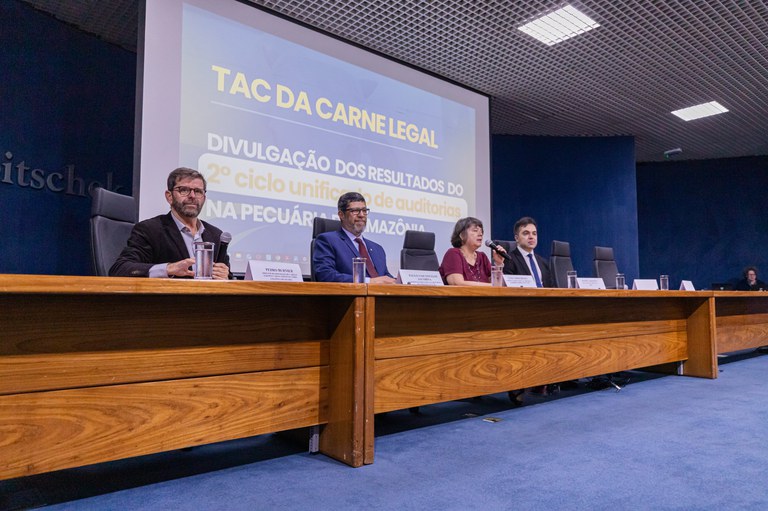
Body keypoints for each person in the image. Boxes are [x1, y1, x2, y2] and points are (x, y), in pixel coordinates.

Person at [109, 167, 231, 279]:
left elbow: (229, 278)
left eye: (198, 191)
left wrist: (226, 276)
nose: (192, 196)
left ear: (204, 198)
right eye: (184, 190)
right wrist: (168, 269)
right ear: (169, 196)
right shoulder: (150, 230)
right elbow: (120, 269)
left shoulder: (215, 235)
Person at [312, 192, 396, 283]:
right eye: (355, 211)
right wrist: (369, 281)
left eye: (364, 210)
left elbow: (386, 277)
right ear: (341, 215)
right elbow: (326, 275)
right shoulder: (327, 241)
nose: (361, 215)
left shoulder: (377, 249)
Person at [439, 217, 505, 286]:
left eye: (481, 231)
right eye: (475, 230)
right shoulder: (453, 253)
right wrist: (492, 286)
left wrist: (499, 264)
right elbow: (457, 283)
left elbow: (498, 285)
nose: (480, 234)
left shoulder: (482, 257)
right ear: (462, 235)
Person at [503, 216, 553, 288]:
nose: (531, 237)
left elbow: (552, 288)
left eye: (534, 233)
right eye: (526, 233)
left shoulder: (543, 262)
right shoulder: (509, 260)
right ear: (516, 238)